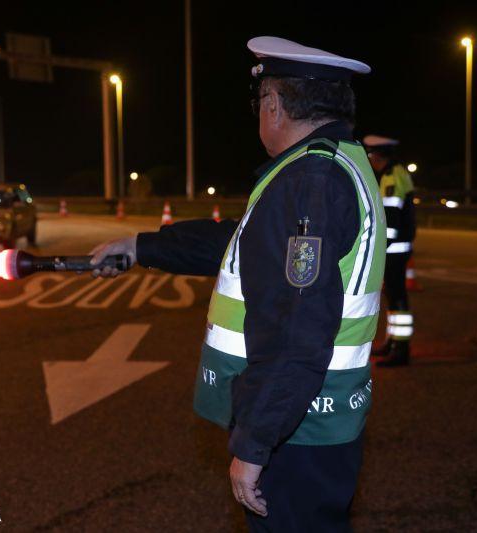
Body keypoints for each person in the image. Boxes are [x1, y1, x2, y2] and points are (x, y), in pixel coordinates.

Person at [90, 36, 385, 532]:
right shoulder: (334, 162)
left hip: (299, 429)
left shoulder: (306, 180)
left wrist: (255, 444)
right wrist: (143, 246)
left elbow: (296, 327)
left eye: (259, 103)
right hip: (315, 418)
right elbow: (246, 243)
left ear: (273, 104)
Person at [363, 135, 416, 367]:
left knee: (397, 297)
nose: (369, 159)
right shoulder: (394, 173)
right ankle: (393, 342)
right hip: (397, 247)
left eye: (370, 155)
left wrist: (382, 248)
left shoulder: (392, 176)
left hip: (395, 248)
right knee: (394, 297)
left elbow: (392, 218)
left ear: (377, 155)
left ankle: (401, 349)